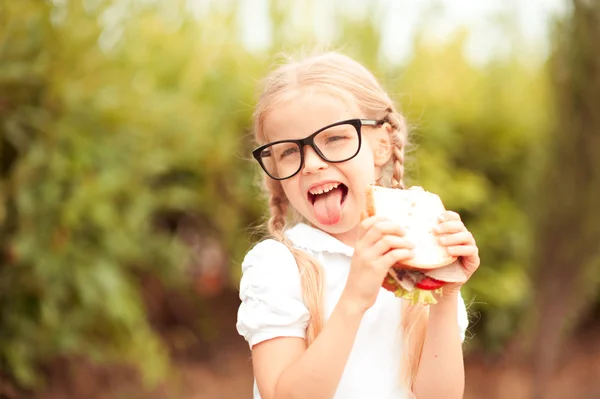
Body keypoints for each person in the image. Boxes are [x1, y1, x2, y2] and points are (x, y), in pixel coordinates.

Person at [236, 51, 480, 399]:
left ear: (381, 146)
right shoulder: (278, 265)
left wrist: (445, 292)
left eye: (334, 139)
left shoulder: (414, 253)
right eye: (289, 151)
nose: (312, 165)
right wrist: (354, 298)